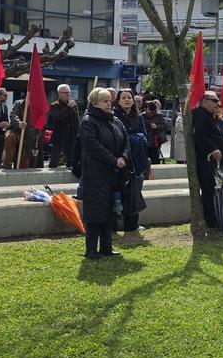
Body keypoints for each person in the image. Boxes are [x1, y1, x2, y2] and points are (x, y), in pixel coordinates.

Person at [78, 87, 128, 259]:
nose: (109, 104)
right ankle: (91, 249)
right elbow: (93, 146)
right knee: (94, 213)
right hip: (95, 174)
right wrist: (113, 160)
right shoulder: (88, 121)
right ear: (95, 103)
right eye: (105, 101)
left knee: (109, 212)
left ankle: (107, 247)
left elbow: (126, 140)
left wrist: (123, 157)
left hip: (113, 174)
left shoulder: (115, 120)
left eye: (110, 101)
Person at [193, 91, 223, 236]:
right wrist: (213, 149)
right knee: (212, 193)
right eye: (214, 101)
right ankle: (220, 222)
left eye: (219, 101)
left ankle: (216, 221)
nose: (218, 104)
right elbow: (199, 136)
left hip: (220, 162)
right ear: (205, 100)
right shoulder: (200, 114)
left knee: (219, 192)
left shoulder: (216, 117)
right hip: (209, 163)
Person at [114, 89, 148, 233]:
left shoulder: (138, 116)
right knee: (117, 194)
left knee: (135, 192)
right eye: (123, 98)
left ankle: (132, 225)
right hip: (119, 159)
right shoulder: (114, 116)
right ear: (118, 101)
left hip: (136, 161)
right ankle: (113, 226)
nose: (127, 100)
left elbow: (145, 135)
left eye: (129, 97)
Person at [3, 94, 42, 169]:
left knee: (23, 165)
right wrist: (19, 123)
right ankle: (7, 163)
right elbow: (13, 115)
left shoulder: (38, 107)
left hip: (29, 136)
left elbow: (41, 122)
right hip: (15, 131)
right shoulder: (18, 103)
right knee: (10, 137)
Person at [47, 84, 80, 168]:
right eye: (65, 92)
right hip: (59, 137)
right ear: (59, 94)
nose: (68, 94)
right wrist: (68, 107)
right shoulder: (54, 105)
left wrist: (79, 133)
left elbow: (76, 121)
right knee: (55, 160)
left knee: (71, 160)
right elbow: (58, 118)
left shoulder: (74, 105)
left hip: (72, 136)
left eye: (69, 92)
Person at [142, 100, 168, 165]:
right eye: (145, 107)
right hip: (145, 138)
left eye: (147, 107)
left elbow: (164, 126)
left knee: (155, 156)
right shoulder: (142, 115)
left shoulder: (159, 115)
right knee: (145, 156)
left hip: (155, 140)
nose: (146, 109)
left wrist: (156, 126)